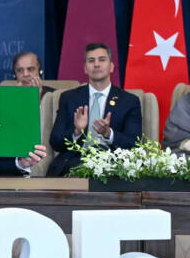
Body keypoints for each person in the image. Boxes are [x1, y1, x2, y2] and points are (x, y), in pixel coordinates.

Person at [48, 43, 142, 177]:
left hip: (112, 164)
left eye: (102, 60)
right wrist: (76, 131)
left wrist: (108, 133)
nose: (96, 64)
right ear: (85, 68)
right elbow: (55, 142)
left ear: (112, 66)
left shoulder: (129, 101)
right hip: (75, 162)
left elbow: (134, 144)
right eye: (91, 61)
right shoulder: (69, 98)